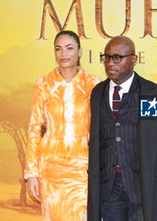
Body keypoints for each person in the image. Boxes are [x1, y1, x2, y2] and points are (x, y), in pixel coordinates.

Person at [87, 36, 157, 221]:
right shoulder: (97, 93)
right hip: (109, 189)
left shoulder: (152, 95)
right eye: (107, 57)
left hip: (141, 187)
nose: (111, 63)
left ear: (133, 59)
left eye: (118, 57)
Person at [24, 30, 101, 220]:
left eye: (69, 48)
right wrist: (31, 173)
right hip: (50, 168)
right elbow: (35, 127)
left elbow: (98, 128)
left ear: (80, 52)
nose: (64, 54)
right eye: (58, 49)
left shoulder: (93, 84)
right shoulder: (43, 84)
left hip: (82, 166)